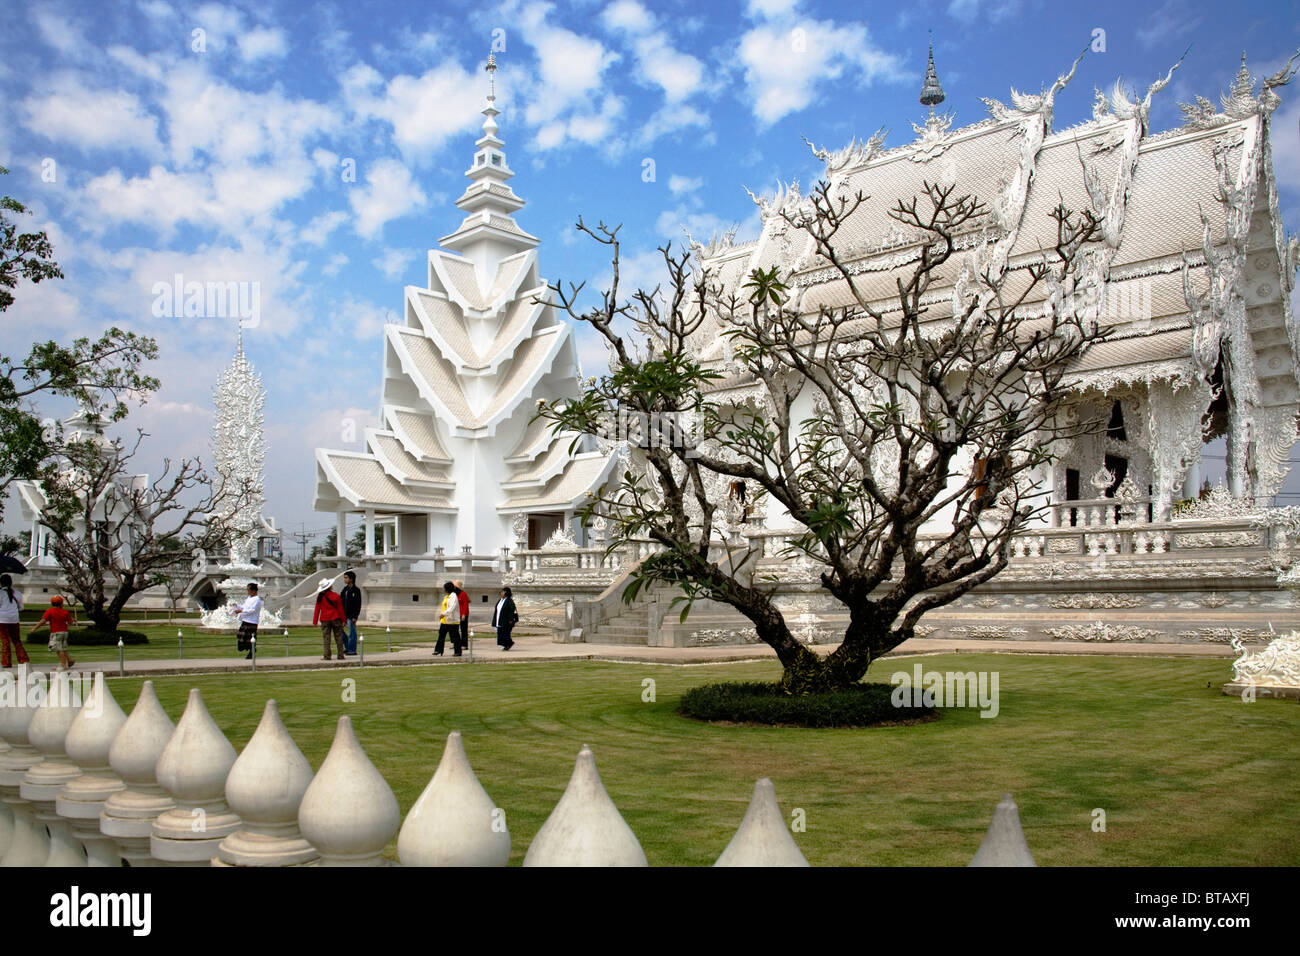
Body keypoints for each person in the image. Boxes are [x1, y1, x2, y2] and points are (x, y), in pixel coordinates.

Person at [28, 594, 75, 670]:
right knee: (63, 647)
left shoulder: (50, 611)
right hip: (65, 632)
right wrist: (72, 620)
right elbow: (70, 623)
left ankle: (63, 666)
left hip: (56, 632)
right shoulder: (65, 612)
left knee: (59, 649)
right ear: (61, 604)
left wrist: (34, 628)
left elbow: (43, 621)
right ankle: (69, 660)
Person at [312, 579, 347, 661]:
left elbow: (317, 609)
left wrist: (315, 621)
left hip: (325, 619)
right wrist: (343, 620)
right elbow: (340, 609)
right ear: (329, 587)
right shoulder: (336, 596)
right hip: (335, 618)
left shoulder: (320, 597)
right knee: (338, 637)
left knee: (326, 638)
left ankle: (327, 656)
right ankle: (340, 655)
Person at [0, 573, 28, 669]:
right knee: (16, 640)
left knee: (5, 641)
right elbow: (21, 607)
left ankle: (6, 662)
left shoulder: (0, 593)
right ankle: (23, 659)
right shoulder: (17, 593)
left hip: (2, 619)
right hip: (14, 619)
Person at [233, 582, 262, 660]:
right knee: (241, 636)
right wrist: (237, 606)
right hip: (245, 620)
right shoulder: (249, 598)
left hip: (252, 621)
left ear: (253, 591)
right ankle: (251, 649)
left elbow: (252, 610)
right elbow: (244, 607)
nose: (248, 592)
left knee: (250, 638)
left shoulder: (257, 600)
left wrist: (240, 611)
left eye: (248, 590)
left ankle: (252, 651)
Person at [434, 581, 460, 657]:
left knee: (455, 637)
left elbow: (452, 607)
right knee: (441, 636)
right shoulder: (447, 596)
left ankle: (457, 652)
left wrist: (443, 614)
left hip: (452, 621)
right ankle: (438, 650)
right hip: (445, 621)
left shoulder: (453, 596)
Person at [340, 571, 362, 656]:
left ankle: (352, 650)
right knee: (340, 632)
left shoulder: (356, 590)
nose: (345, 579)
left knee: (352, 633)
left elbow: (358, 604)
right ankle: (347, 647)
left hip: (351, 615)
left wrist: (355, 616)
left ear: (351, 579)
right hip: (343, 615)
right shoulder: (344, 590)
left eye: (346, 578)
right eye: (344, 578)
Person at [453, 579, 470, 654]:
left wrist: (463, 614)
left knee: (463, 630)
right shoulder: (455, 594)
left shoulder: (463, 594)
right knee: (455, 630)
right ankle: (457, 644)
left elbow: (465, 605)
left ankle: (464, 644)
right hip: (456, 614)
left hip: (462, 614)